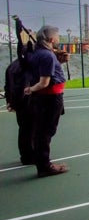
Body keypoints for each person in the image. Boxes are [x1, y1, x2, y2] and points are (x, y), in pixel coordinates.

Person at [23, 25, 69, 177]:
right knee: (46, 131)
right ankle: (44, 166)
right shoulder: (47, 56)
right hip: (49, 97)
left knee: (42, 131)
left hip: (44, 97)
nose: (58, 39)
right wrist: (32, 89)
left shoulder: (38, 53)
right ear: (51, 39)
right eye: (57, 36)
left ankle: (42, 161)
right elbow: (44, 82)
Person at [5, 59, 35, 165]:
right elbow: (25, 84)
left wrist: (10, 101)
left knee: (24, 129)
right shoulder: (26, 66)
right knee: (30, 129)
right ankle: (30, 156)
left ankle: (26, 155)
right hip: (28, 101)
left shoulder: (12, 66)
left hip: (19, 101)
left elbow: (7, 85)